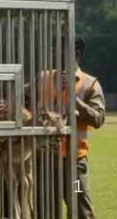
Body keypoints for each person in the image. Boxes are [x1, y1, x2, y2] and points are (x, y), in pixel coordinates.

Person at [39, 37, 105, 219]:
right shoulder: (43, 78)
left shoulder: (89, 83)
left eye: (59, 50)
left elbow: (98, 119)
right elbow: (23, 99)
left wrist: (74, 100)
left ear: (76, 54)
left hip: (73, 165)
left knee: (79, 206)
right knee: (45, 210)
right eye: (53, 49)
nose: (53, 54)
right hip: (46, 162)